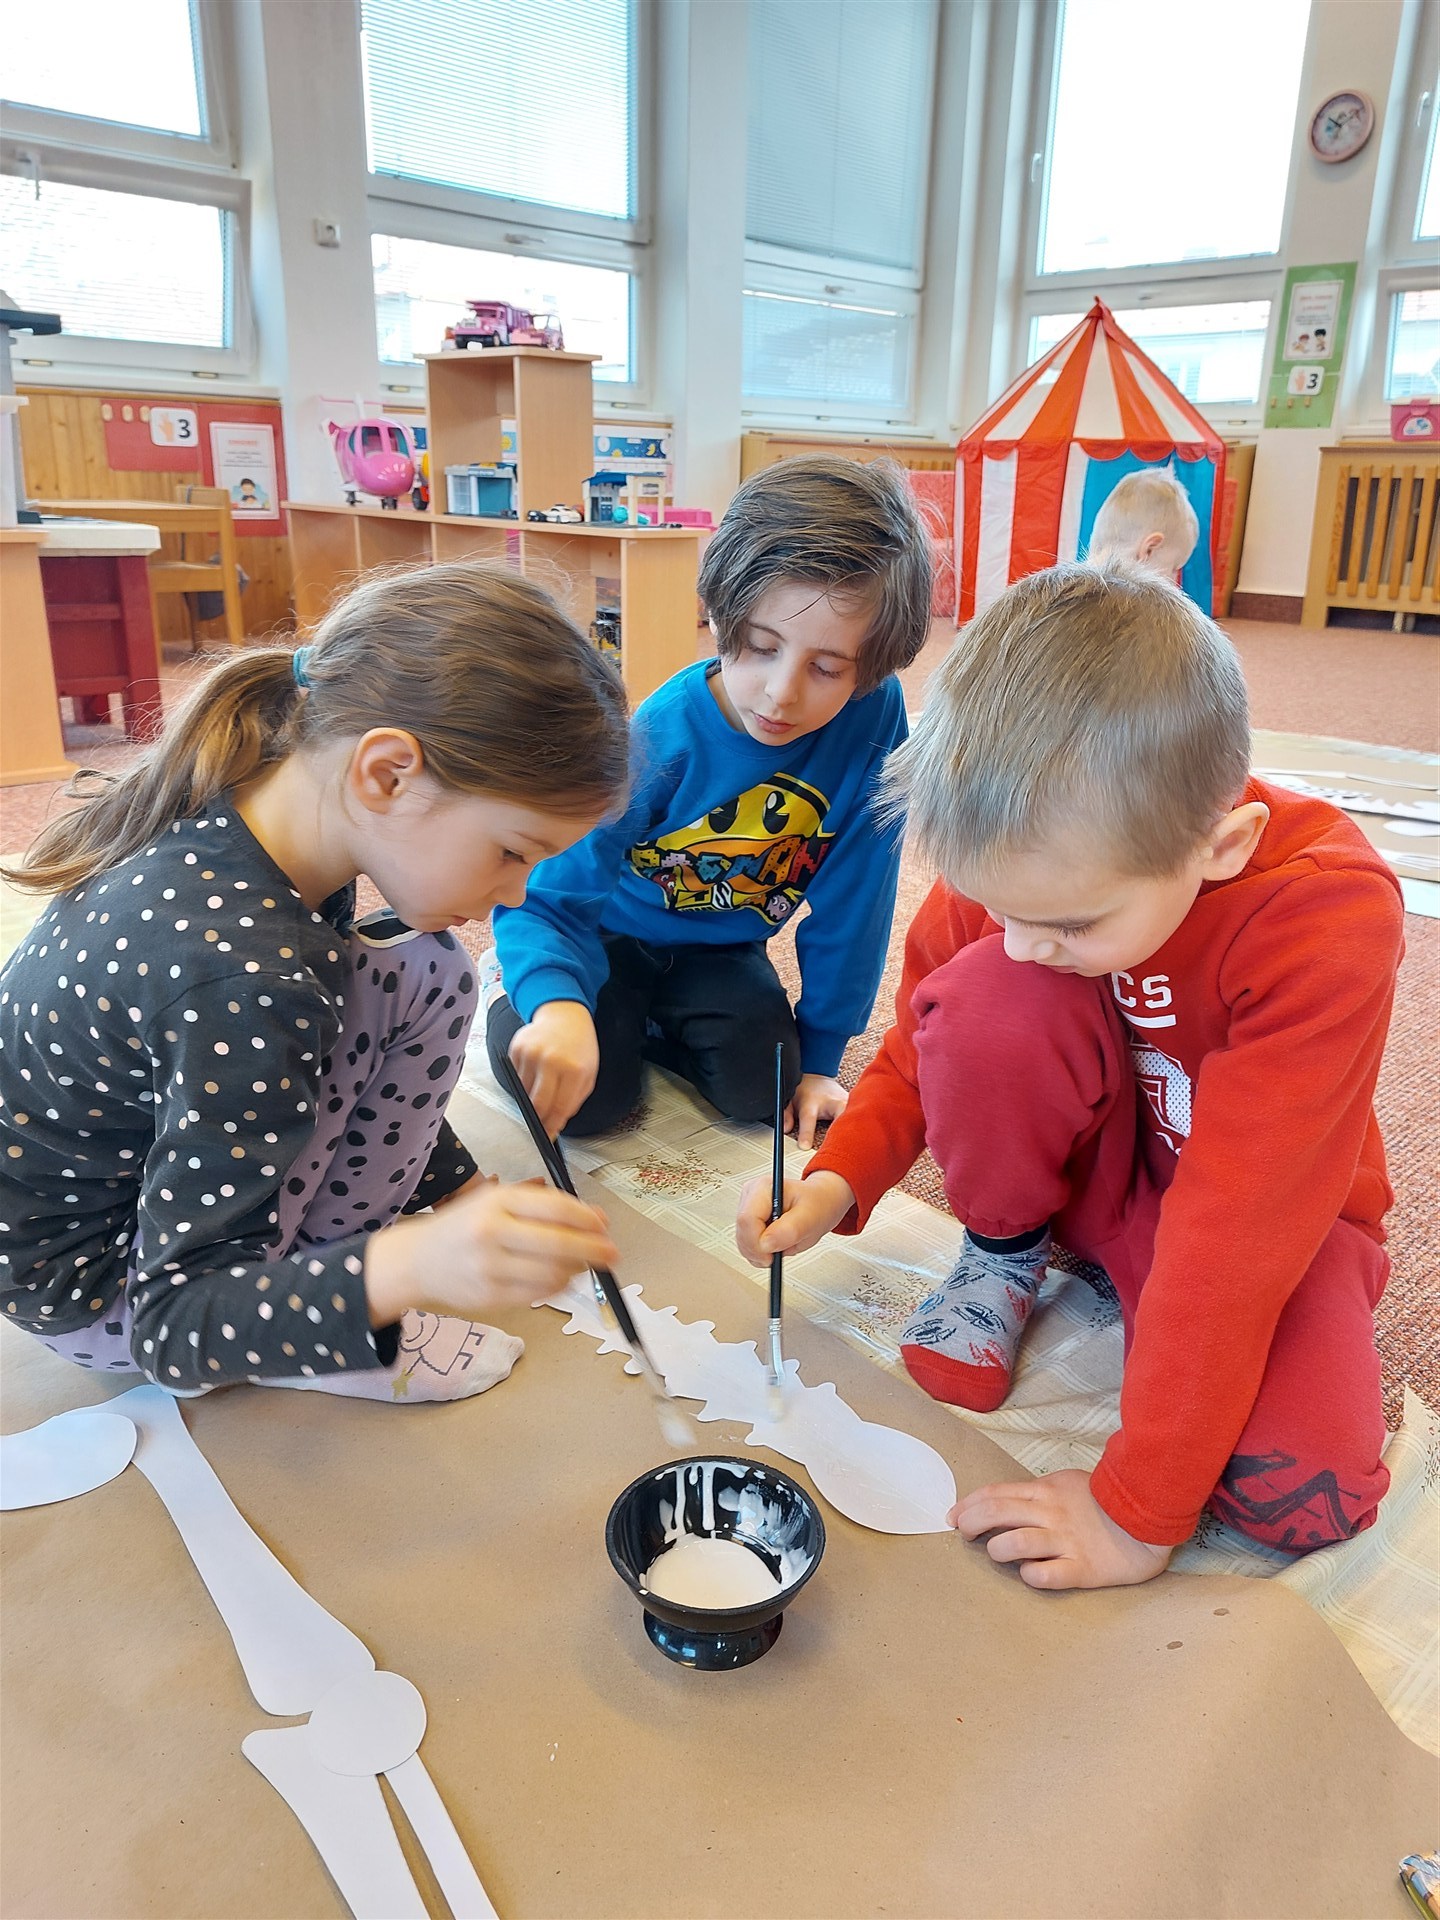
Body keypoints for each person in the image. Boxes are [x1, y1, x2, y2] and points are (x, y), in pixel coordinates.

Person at [737, 564, 1403, 1590]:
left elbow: (1242, 1226)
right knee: (990, 993)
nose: (1022, 940)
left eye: (1072, 923)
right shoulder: (1016, 865)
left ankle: (1133, 1292)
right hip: (1093, 1181)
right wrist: (836, 1179)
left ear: (1223, 846)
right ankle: (1007, 1251)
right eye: (1001, 908)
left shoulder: (1326, 917)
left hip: (1263, 1212)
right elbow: (924, 1040)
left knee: (1304, 1496)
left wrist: (1136, 1513)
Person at [0, 565, 627, 1403]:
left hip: (83, 1211)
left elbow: (318, 1042)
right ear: (388, 772)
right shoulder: (246, 977)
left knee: (420, 966)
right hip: (105, 1296)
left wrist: (458, 1191)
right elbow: (169, 1326)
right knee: (429, 973)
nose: (516, 894)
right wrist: (399, 1267)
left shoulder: (260, 806)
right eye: (513, 851)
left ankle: (324, 1276)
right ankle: (314, 1326)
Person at [484, 455, 935, 1149]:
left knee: (766, 1092)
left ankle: (649, 1025)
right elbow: (552, 890)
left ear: (870, 671)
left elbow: (860, 899)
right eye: (760, 647)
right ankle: (513, 992)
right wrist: (555, 1004)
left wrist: (822, 1057)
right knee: (584, 1103)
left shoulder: (875, 715)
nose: (781, 693)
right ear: (724, 616)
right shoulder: (661, 733)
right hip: (607, 937)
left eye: (826, 668)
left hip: (721, 949)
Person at [1086, 467, 1199, 577]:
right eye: (1174, 568)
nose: (1174, 578)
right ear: (1149, 550)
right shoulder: (1130, 590)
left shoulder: (1077, 586)